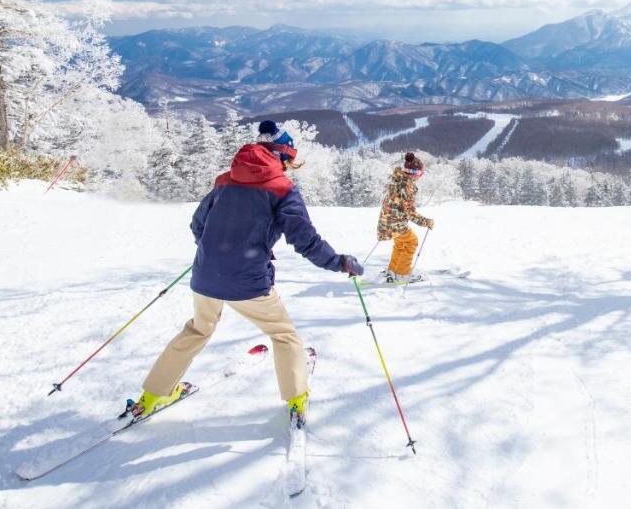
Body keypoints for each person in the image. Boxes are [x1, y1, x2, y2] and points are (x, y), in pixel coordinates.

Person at [133, 120, 363, 423]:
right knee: (284, 336)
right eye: (291, 161)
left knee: (198, 329)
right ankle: (296, 397)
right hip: (248, 281)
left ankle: (152, 396)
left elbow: (198, 224)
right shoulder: (282, 189)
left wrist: (214, 251)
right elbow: (304, 240)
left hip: (205, 275)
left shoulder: (225, 180)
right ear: (284, 156)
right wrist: (339, 262)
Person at [377, 152, 434, 283]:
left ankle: (393, 270)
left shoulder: (399, 179)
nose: (421, 176)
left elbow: (403, 207)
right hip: (394, 222)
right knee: (411, 241)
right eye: (421, 173)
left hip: (388, 220)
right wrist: (426, 222)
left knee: (401, 243)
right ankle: (402, 274)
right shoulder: (406, 187)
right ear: (415, 173)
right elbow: (409, 211)